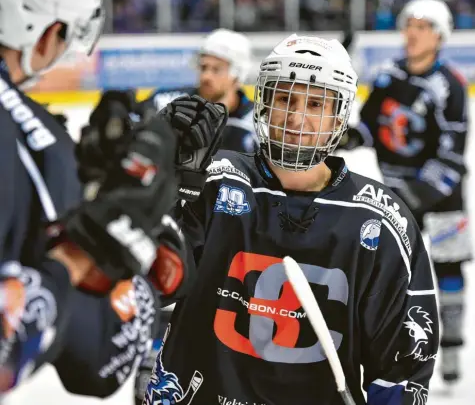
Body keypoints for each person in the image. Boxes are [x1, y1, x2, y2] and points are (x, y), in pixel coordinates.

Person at [141, 34, 439, 405]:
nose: (298, 118)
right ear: (264, 102)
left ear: (340, 114)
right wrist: (164, 192)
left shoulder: (380, 220)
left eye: (316, 103)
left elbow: (401, 366)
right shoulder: (213, 183)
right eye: (285, 98)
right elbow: (149, 287)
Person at [0, 0, 224, 397]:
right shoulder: (36, 147)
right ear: (48, 32)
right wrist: (86, 253)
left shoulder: (37, 140)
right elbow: (97, 359)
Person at [339, 0, 470, 384]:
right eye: (408, 24)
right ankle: (395, 346)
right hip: (396, 189)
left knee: (448, 265)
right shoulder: (387, 74)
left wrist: (416, 193)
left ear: (439, 35)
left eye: (422, 26)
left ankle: (452, 348)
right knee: (391, 268)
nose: (412, 32)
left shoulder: (451, 85)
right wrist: (345, 135)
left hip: (442, 194)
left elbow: (452, 155)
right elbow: (369, 127)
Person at [138, 28, 257, 154]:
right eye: (203, 67)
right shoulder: (167, 102)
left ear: (238, 74)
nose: (206, 76)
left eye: (216, 69)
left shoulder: (258, 121)